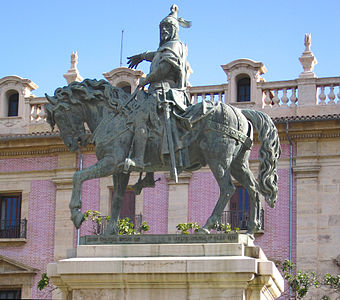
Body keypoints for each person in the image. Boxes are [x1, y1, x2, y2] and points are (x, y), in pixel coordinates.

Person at [126, 4, 192, 170]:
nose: (163, 31)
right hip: (159, 91)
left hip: (165, 92)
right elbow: (155, 55)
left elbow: (164, 69)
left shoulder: (174, 46)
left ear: (174, 30)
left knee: (141, 117)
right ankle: (149, 172)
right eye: (162, 28)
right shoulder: (165, 48)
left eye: (167, 28)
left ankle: (139, 159)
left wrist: (145, 80)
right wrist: (141, 56)